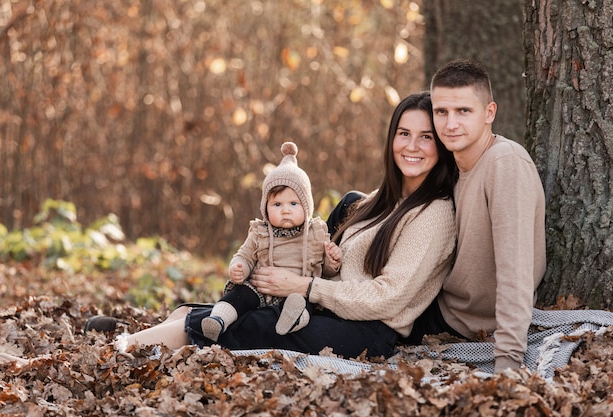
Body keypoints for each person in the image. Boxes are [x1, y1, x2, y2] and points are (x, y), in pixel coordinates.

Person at [86, 91, 458, 360]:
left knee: (250, 327)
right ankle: (152, 330)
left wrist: (305, 286)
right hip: (324, 306)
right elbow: (312, 250)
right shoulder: (376, 201)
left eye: (426, 136)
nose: (413, 146)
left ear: (440, 145)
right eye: (404, 133)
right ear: (392, 138)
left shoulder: (434, 213)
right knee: (223, 310)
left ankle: (124, 348)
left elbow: (388, 297)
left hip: (370, 330)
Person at [400, 59, 545, 373]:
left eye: (463, 111)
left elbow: (515, 274)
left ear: (489, 113)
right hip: (431, 297)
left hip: (457, 320)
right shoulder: (453, 163)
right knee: (352, 203)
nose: (450, 124)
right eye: (442, 112)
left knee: (349, 328)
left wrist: (507, 362)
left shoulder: (504, 163)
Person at [201, 141, 342, 342]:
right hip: (261, 290)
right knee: (240, 295)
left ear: (307, 208)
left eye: (293, 203)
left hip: (297, 291)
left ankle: (291, 320)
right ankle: (218, 319)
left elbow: (324, 270)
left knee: (306, 302)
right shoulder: (260, 232)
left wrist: (332, 262)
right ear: (265, 208)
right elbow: (245, 254)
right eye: (277, 204)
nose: (285, 210)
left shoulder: (316, 233)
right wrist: (238, 267)